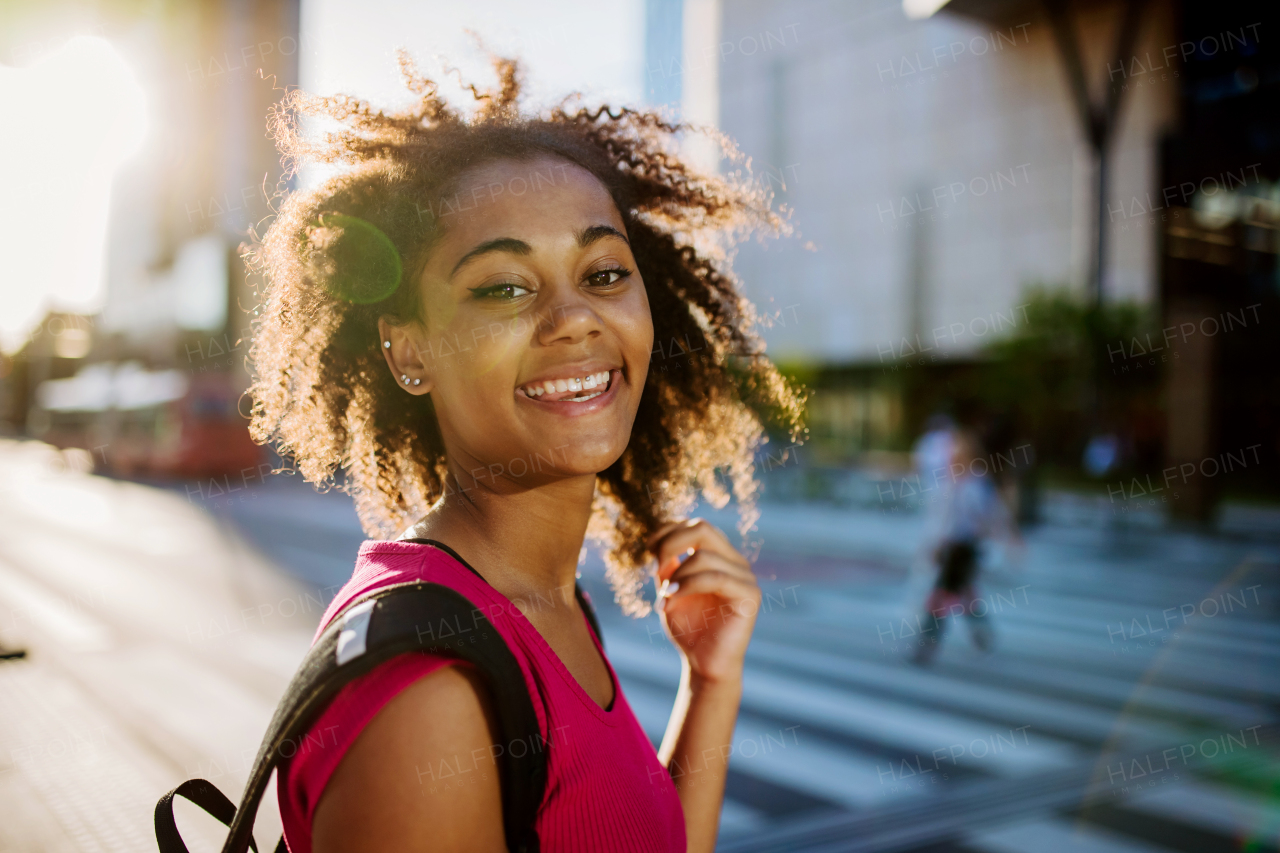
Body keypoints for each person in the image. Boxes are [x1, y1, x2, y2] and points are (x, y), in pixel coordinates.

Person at [246, 55, 804, 853]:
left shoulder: (541, 603)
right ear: (411, 351)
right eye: (505, 286)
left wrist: (710, 680)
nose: (574, 317)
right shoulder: (433, 690)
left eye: (605, 272)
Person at [910, 430, 1020, 665]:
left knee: (940, 597)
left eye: (955, 453)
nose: (949, 457)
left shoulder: (974, 483)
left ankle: (926, 645)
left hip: (962, 550)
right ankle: (982, 635)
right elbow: (939, 518)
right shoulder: (952, 482)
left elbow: (989, 516)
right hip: (952, 548)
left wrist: (1006, 539)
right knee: (966, 595)